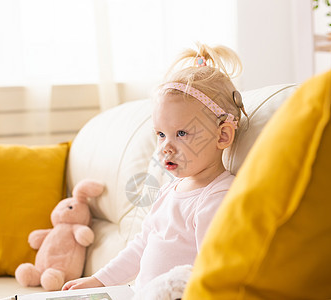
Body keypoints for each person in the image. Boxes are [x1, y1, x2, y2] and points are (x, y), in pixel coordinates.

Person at [62, 43, 247, 291]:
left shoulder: (216, 197)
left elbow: (213, 272)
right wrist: (98, 281)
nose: (165, 147)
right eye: (161, 134)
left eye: (181, 133)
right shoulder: (168, 191)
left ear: (223, 136)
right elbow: (141, 245)